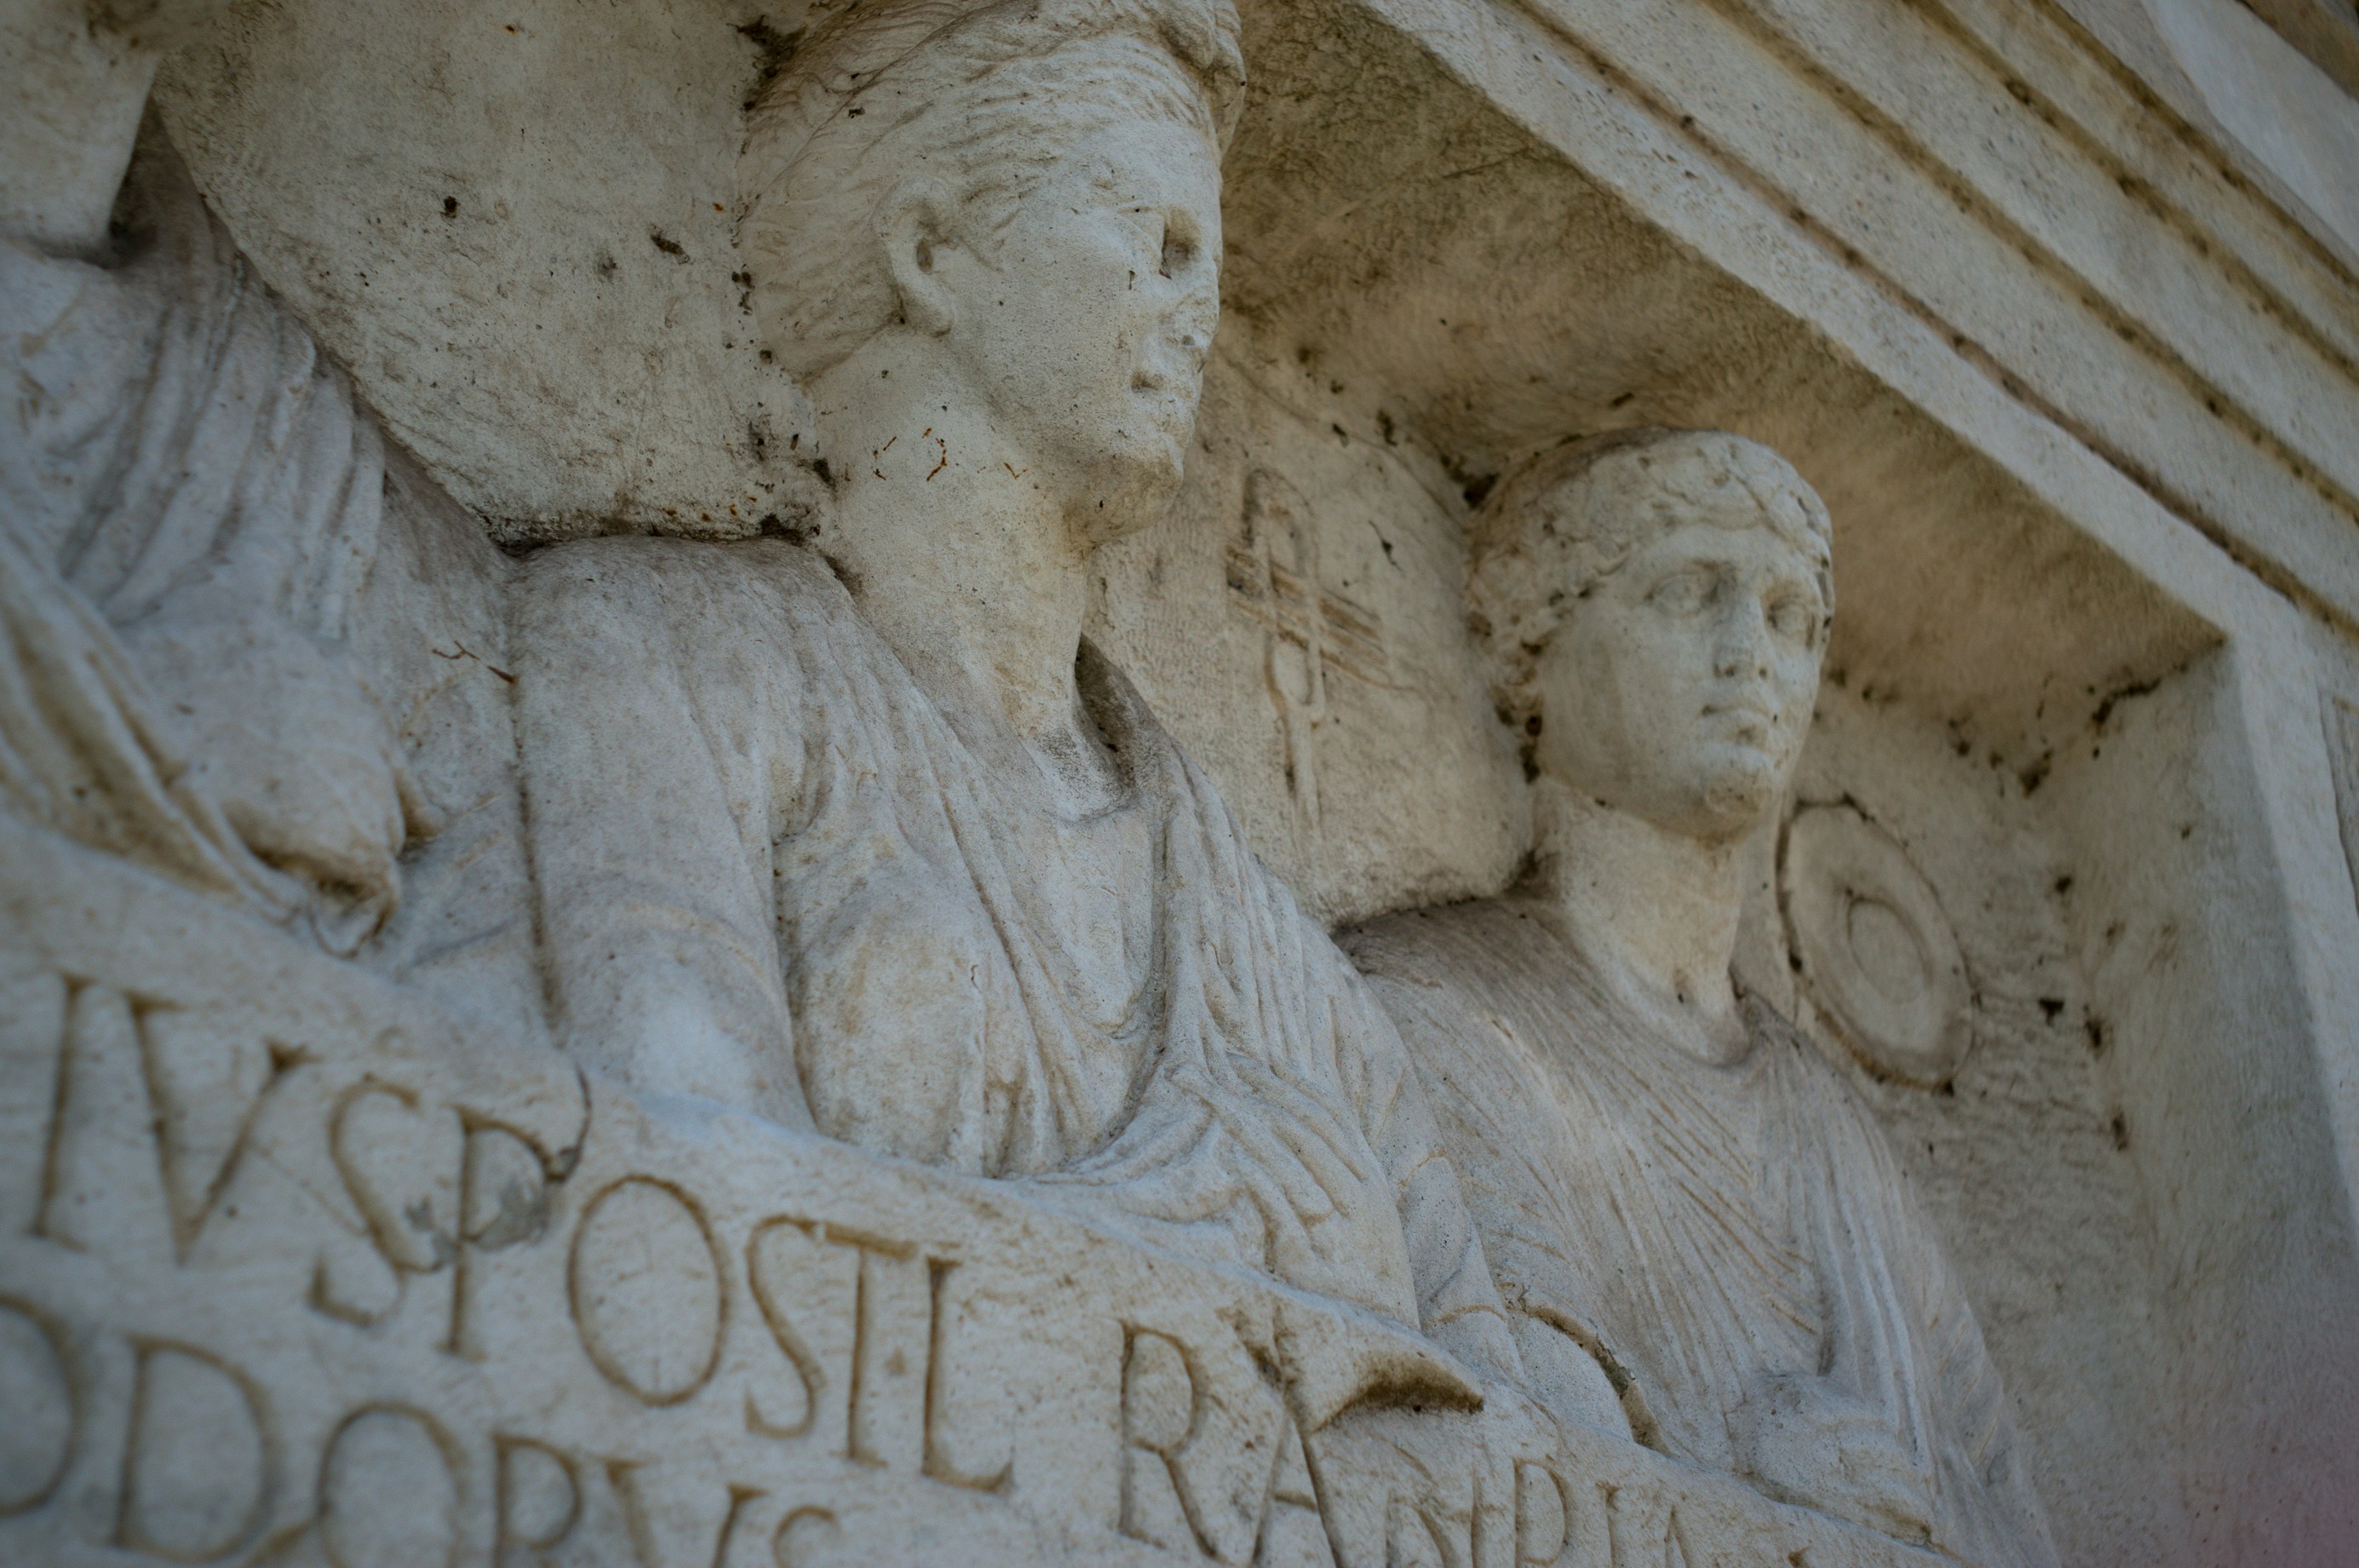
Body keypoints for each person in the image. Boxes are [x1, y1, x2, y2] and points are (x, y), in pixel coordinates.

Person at [513, 0, 1516, 1376]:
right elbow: (675, 1222)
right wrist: (1210, 1235)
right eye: (1151, 241)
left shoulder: (1266, 945)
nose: (1196, 312)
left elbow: (1487, 1399)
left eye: (1206, 264)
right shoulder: (661, 656)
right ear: (933, 253)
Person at [1346, 429, 2058, 1565]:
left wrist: (1906, 1509)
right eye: (1687, 591)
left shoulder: (1839, 1137)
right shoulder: (1428, 1004)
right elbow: (1500, 1468)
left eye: (1789, 617)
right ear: (1530, 646)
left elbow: (2011, 1520)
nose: (1750, 657)